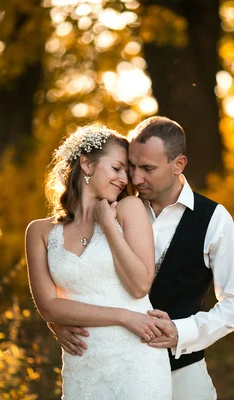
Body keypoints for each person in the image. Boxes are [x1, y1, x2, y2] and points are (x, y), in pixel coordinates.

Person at [50, 116, 234, 400]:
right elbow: (77, 271)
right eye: (132, 166)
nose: (134, 178)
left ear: (178, 165)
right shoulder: (108, 207)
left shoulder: (213, 219)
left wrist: (181, 332)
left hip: (183, 370)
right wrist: (57, 321)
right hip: (114, 369)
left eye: (147, 169)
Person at [25, 125, 172, 400]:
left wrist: (108, 224)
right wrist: (124, 316)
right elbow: (49, 306)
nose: (124, 178)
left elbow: (140, 286)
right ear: (87, 164)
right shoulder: (39, 232)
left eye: (126, 172)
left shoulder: (129, 209)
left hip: (137, 358)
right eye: (117, 168)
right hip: (83, 361)